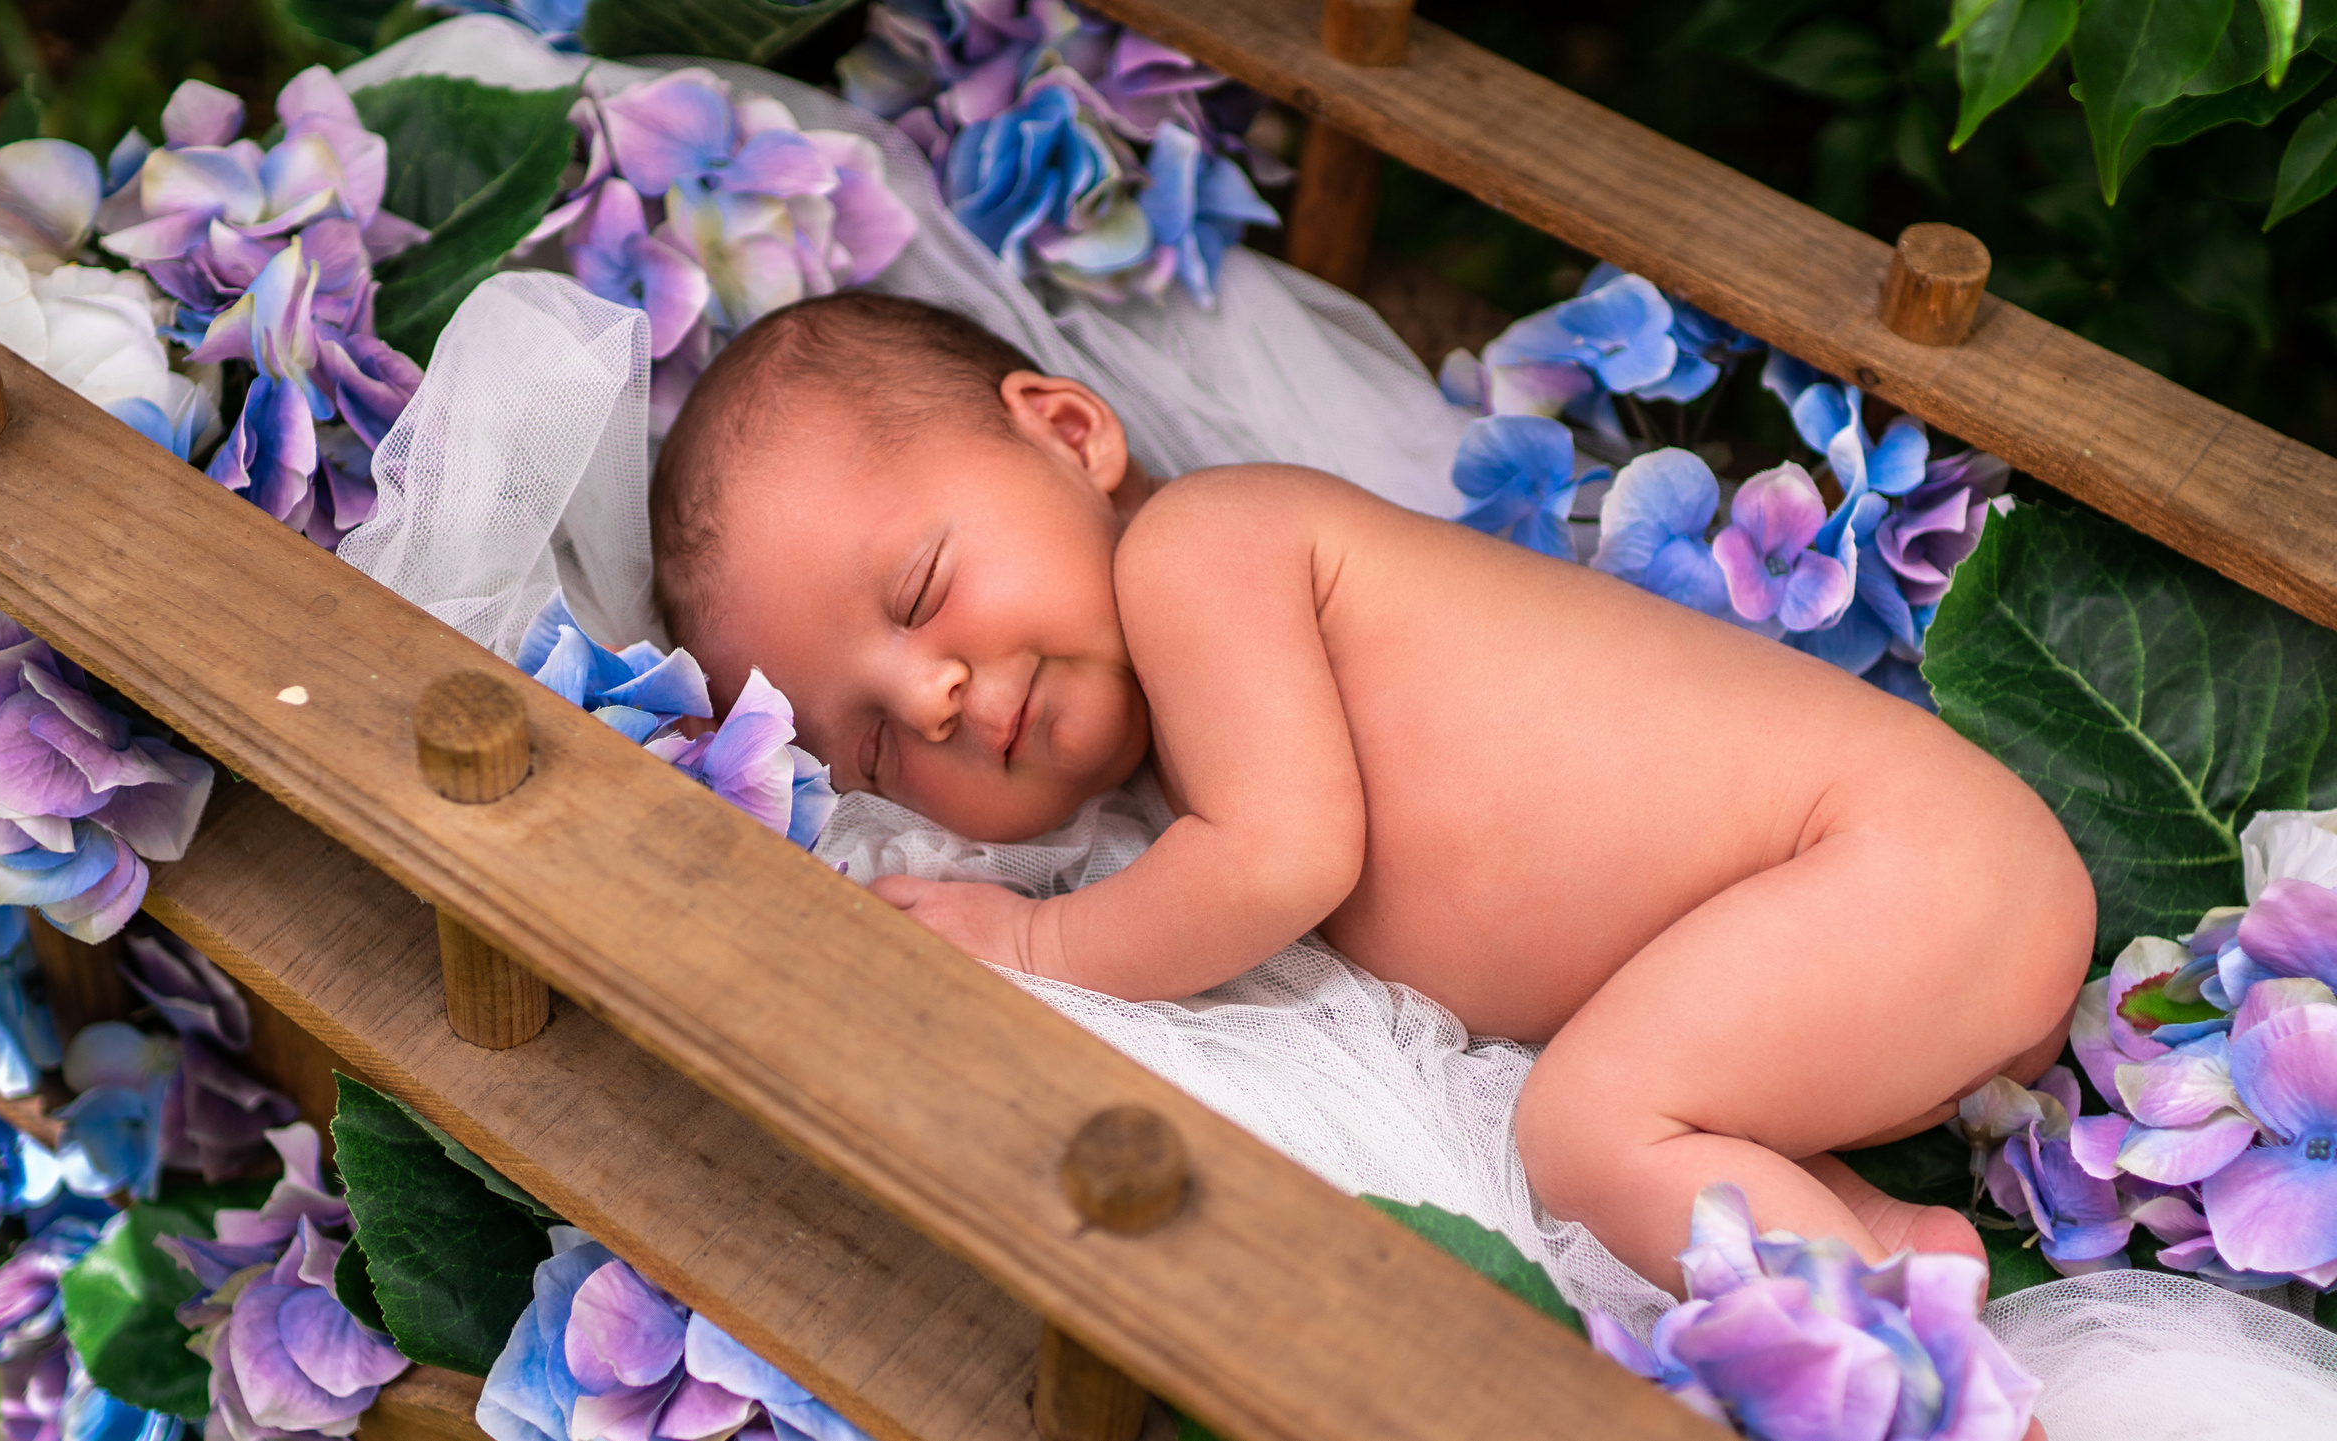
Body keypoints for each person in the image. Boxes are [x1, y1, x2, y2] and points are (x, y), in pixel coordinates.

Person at [648, 291, 2091, 1293]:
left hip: (1895, 862)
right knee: (1642, 1104)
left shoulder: (1202, 551)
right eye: (877, 748)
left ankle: (1892, 1387)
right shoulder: (1184, 725)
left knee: (1587, 1128)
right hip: (1859, 912)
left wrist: (1028, 943)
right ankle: (1895, 1255)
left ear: (1074, 434)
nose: (931, 696)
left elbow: (1283, 858)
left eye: (920, 590)